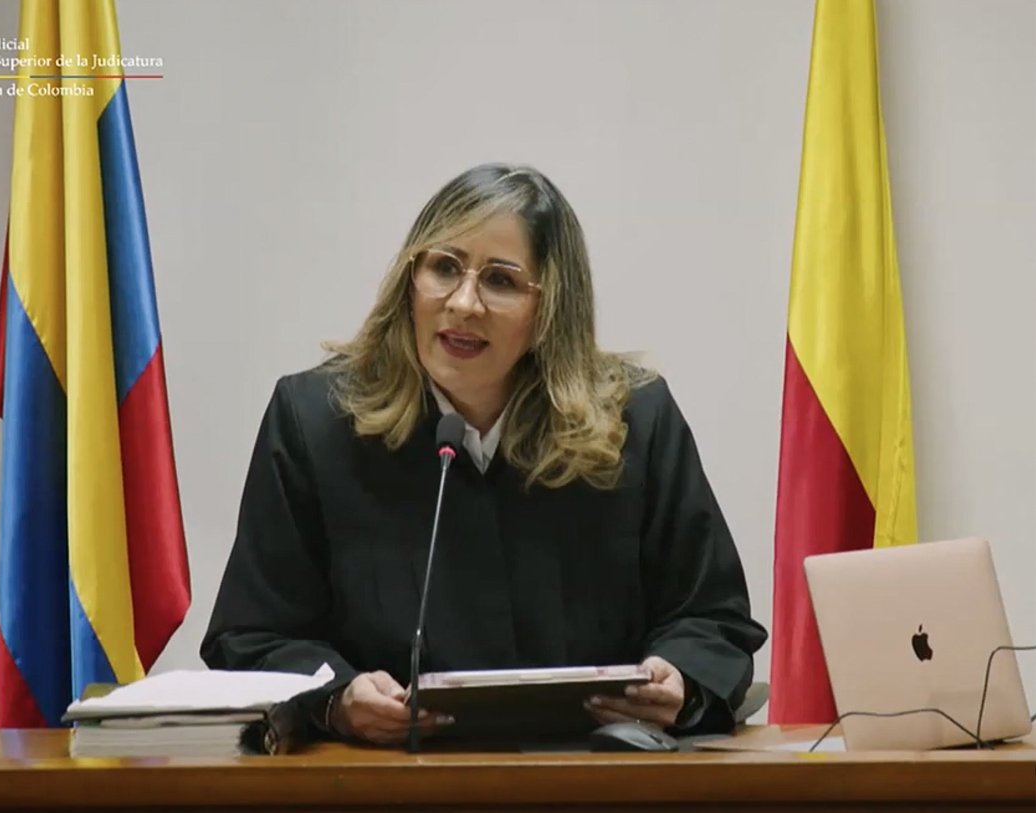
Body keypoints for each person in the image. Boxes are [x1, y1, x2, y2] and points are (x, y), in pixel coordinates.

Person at [200, 162, 767, 748]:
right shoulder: (315, 421)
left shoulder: (633, 421)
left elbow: (711, 621)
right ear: (409, 282)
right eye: (444, 268)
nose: (464, 303)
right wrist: (337, 699)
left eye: (500, 280)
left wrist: (681, 678)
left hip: (594, 779)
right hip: (386, 786)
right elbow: (253, 635)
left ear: (551, 310)